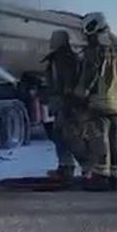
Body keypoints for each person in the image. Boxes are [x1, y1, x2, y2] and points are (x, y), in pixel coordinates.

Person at [75, 12, 117, 191]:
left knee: (99, 139)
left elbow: (89, 75)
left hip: (99, 102)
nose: (86, 34)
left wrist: (80, 94)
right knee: (115, 139)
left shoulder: (96, 49)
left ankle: (100, 177)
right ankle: (115, 177)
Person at [43, 30, 86, 181]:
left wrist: (67, 103)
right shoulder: (61, 58)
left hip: (66, 104)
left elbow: (67, 83)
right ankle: (66, 167)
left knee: (69, 136)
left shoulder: (64, 59)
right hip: (62, 103)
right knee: (60, 135)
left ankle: (86, 167)